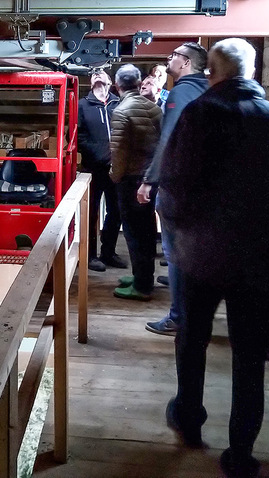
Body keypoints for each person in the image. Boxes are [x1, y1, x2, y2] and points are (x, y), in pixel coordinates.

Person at [159, 39, 269, 478]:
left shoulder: (200, 114)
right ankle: (241, 452)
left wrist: (181, 227)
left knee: (192, 340)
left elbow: (174, 181)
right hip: (256, 256)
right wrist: (267, 223)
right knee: (250, 358)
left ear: (213, 70)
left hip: (199, 254)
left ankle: (189, 421)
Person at [137, 42, 209, 336]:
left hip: (178, 188)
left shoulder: (180, 92)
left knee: (175, 251)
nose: (169, 58)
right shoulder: (207, 89)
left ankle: (178, 317)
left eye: (174, 55)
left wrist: (148, 180)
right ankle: (187, 308)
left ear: (186, 63)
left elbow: (168, 140)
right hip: (201, 187)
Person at [109, 64, 162, 300]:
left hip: (131, 179)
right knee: (147, 230)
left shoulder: (121, 111)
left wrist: (115, 176)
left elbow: (118, 152)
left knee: (133, 233)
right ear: (140, 83)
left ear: (116, 85)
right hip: (151, 178)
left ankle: (141, 286)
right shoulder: (154, 108)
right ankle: (143, 276)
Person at [77, 69, 126, 272]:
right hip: (93, 168)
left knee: (116, 211)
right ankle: (89, 256)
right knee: (91, 212)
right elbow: (78, 136)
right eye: (94, 73)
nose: (98, 74)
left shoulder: (119, 103)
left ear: (110, 81)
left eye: (102, 73)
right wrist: (101, 154)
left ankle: (109, 252)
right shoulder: (82, 104)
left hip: (117, 168)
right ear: (90, 82)